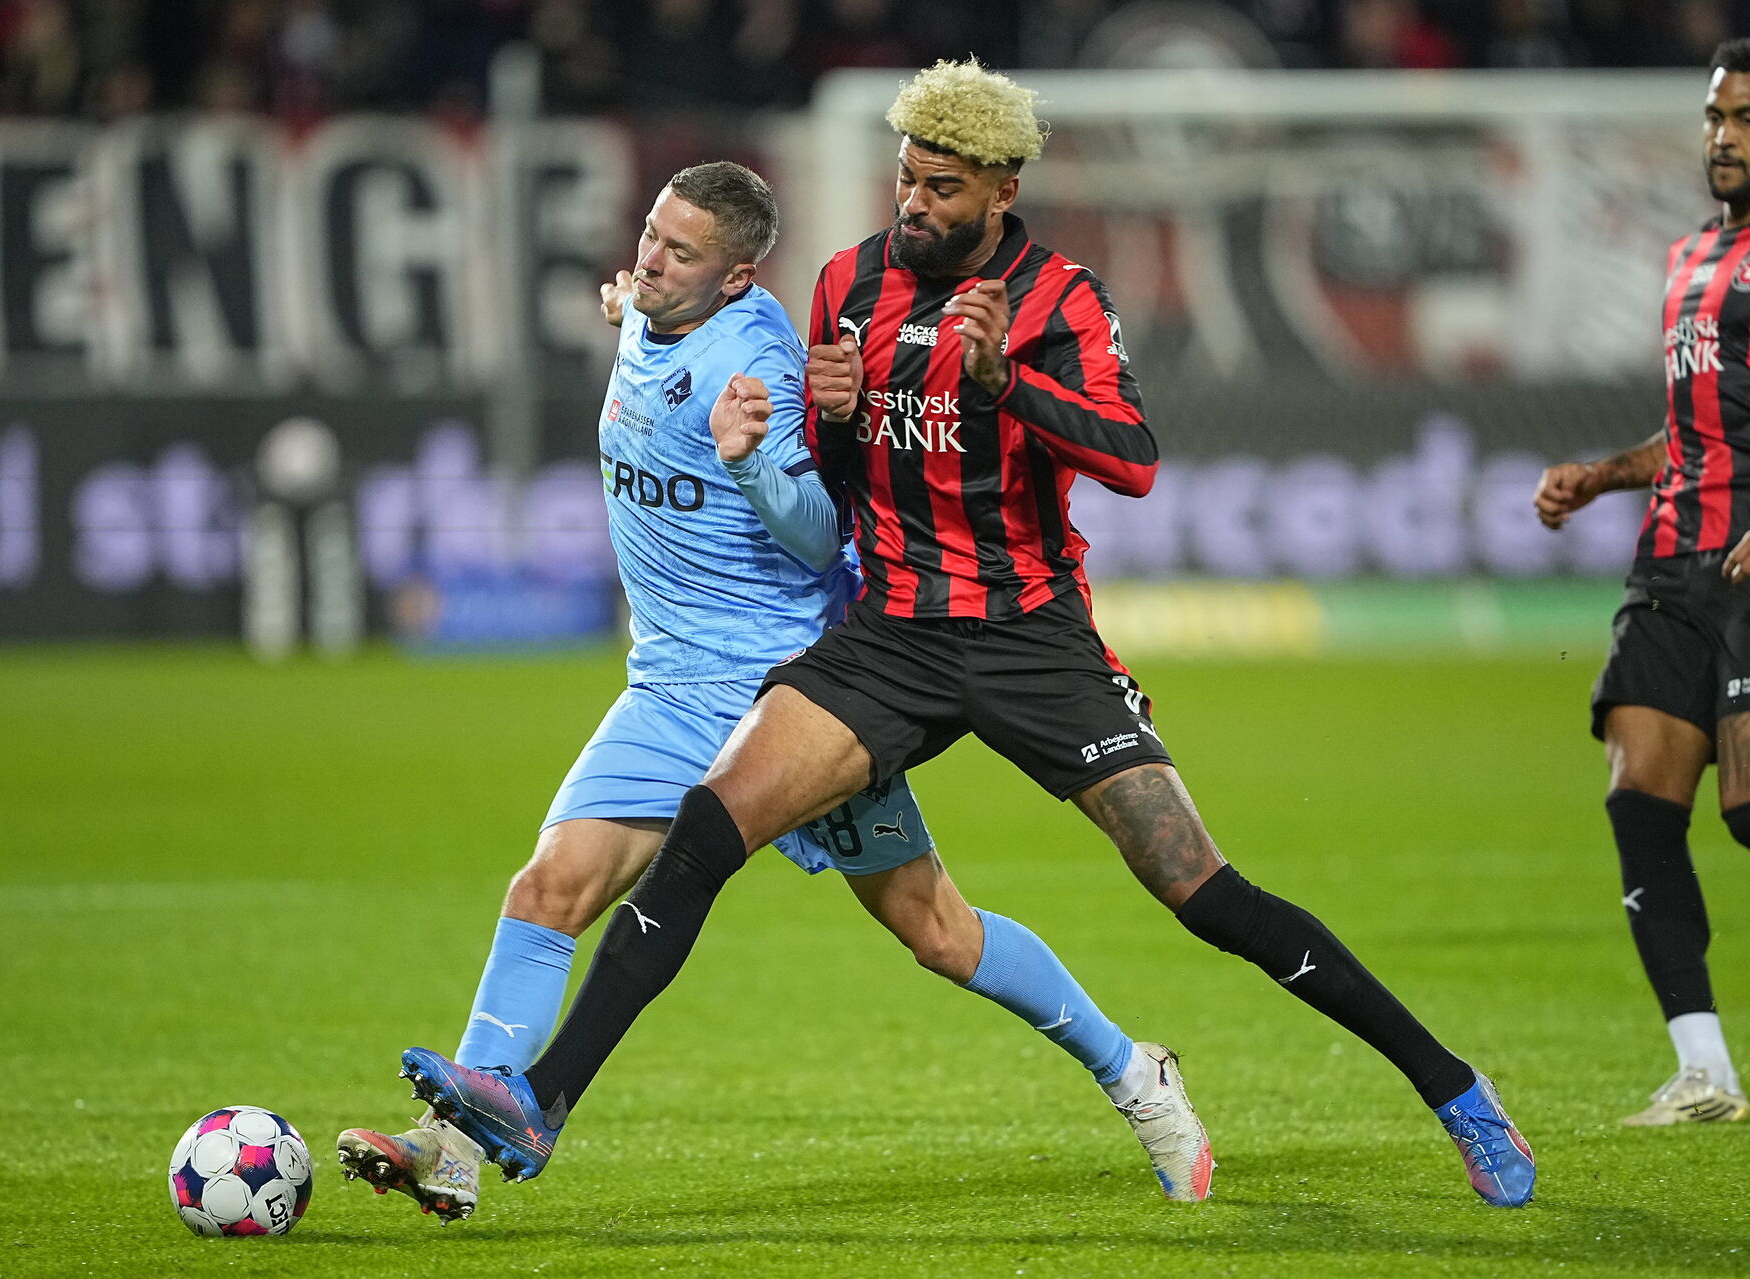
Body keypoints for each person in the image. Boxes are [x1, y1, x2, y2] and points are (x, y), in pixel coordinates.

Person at [398, 61, 1537, 1210]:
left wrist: (1004, 384)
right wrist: (829, 423)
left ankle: (1456, 1090)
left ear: (1003, 187)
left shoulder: (1060, 299)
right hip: (890, 633)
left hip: (1031, 635)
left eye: (941, 187)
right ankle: (537, 1106)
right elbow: (834, 482)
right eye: (905, 178)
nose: (913, 203)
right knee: (705, 828)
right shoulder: (848, 283)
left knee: (1200, 887)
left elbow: (1134, 460)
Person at [338, 160, 1213, 1221]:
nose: (651, 260)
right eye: (652, 235)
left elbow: (823, 533)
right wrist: (636, 299)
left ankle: (1134, 1073)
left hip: (785, 694)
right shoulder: (651, 309)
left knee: (936, 928)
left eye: (681, 251)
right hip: (666, 688)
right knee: (547, 889)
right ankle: (453, 1148)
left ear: (738, 274)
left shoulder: (758, 363)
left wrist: (750, 461)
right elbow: (645, 312)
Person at [1531, 38, 1750, 1129]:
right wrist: (1602, 476)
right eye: (1717, 116)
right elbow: (1694, 437)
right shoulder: (1690, 258)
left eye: (1749, 118)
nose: (1725, 137)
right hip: (1673, 566)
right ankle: (1705, 1068)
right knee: (1640, 805)